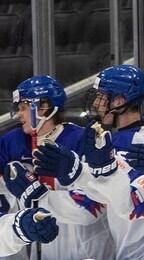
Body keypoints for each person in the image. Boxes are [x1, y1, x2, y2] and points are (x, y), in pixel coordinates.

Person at [36, 65, 144, 259]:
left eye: (102, 97)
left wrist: (38, 198)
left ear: (120, 101)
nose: (97, 103)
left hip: (136, 250)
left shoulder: (116, 149)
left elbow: (88, 207)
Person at [1, 75, 114, 260]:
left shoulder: (84, 140)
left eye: (23, 108)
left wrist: (39, 199)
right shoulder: (14, 142)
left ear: (43, 107)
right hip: (48, 251)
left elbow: (93, 207)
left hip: (89, 254)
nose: (19, 114)